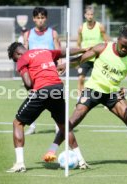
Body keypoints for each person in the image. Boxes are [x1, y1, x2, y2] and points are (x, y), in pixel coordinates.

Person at [55, 26, 127, 168]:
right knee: (74, 120)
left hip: (112, 94)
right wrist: (66, 64)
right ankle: (52, 149)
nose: (124, 49)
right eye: (122, 46)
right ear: (117, 41)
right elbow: (80, 59)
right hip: (93, 90)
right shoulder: (102, 48)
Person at [6, 42, 88, 172]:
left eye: (16, 59)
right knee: (64, 126)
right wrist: (83, 49)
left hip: (42, 90)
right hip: (58, 88)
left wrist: (30, 87)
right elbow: (65, 51)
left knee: (18, 123)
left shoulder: (23, 58)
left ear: (17, 54)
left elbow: (28, 83)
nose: (17, 61)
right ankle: (81, 160)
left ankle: (20, 163)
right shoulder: (45, 51)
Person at [23, 7, 62, 135]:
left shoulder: (53, 34)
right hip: (34, 75)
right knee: (32, 99)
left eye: (42, 17)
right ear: (34, 19)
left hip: (50, 73)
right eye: (38, 18)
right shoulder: (28, 34)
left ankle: (58, 126)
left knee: (55, 99)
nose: (40, 20)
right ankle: (32, 126)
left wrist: (61, 67)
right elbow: (24, 55)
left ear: (46, 18)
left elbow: (59, 52)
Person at [77, 6, 108, 100]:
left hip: (98, 57)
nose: (90, 16)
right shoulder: (81, 28)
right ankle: (80, 98)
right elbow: (78, 44)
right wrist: (78, 57)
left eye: (91, 14)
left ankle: (105, 99)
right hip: (86, 57)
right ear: (85, 15)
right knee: (81, 78)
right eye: (88, 14)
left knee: (103, 79)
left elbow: (106, 41)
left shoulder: (100, 26)